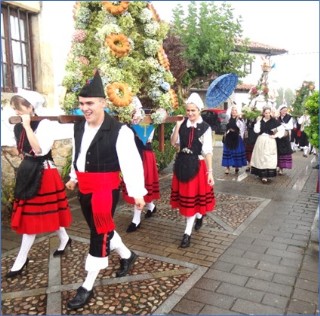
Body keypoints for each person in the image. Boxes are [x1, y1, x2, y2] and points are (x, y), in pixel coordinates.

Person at [65, 71, 147, 310]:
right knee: (101, 229)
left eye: (89, 103)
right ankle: (127, 255)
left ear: (103, 103)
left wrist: (137, 193)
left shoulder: (119, 130)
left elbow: (131, 163)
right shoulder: (79, 127)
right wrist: (73, 177)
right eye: (81, 104)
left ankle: (87, 285)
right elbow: (77, 154)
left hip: (105, 190)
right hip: (85, 189)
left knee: (98, 234)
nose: (85, 108)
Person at [6, 89, 72, 279]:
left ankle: (20, 260)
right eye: (14, 109)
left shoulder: (45, 125)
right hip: (28, 171)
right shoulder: (18, 126)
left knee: (32, 219)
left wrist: (27, 127)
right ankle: (65, 239)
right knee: (49, 212)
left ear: (30, 107)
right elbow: (22, 151)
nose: (16, 113)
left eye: (19, 109)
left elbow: (39, 149)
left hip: (44, 172)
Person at [170, 93, 215, 248]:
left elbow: (208, 151)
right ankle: (199, 215)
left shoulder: (205, 128)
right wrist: (177, 126)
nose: (190, 113)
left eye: (193, 111)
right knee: (189, 199)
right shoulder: (182, 124)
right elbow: (173, 143)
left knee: (192, 200)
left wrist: (210, 172)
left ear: (199, 110)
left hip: (197, 165)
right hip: (182, 164)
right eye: (188, 110)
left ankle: (187, 233)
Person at [123, 97, 160, 232]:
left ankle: (136, 219)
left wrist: (138, 125)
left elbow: (146, 138)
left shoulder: (147, 121)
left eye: (135, 109)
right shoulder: (125, 122)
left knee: (141, 184)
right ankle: (151, 207)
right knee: (137, 183)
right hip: (133, 155)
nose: (133, 112)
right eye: (130, 110)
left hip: (144, 155)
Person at [250, 106, 285, 183]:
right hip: (261, 140)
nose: (267, 114)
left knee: (268, 157)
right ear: (263, 113)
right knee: (260, 157)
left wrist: (275, 135)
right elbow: (256, 130)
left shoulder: (274, 121)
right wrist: (258, 122)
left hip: (270, 140)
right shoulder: (260, 121)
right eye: (266, 113)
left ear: (271, 113)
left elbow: (282, 130)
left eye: (269, 113)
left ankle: (266, 175)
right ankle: (262, 174)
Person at [222, 106, 247, 174]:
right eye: (233, 110)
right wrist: (226, 133)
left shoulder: (240, 120)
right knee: (228, 152)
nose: (234, 112)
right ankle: (227, 168)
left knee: (236, 152)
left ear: (237, 112)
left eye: (235, 110)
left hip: (236, 137)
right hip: (229, 137)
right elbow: (225, 127)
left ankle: (236, 166)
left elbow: (242, 128)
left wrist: (239, 119)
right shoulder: (228, 119)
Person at [276, 105, 294, 175]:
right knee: (278, 152)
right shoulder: (278, 117)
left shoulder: (289, 117)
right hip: (278, 137)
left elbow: (291, 126)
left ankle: (281, 169)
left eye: (286, 111)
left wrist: (282, 125)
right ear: (280, 111)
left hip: (285, 136)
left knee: (283, 152)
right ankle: (278, 166)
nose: (285, 112)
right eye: (283, 110)